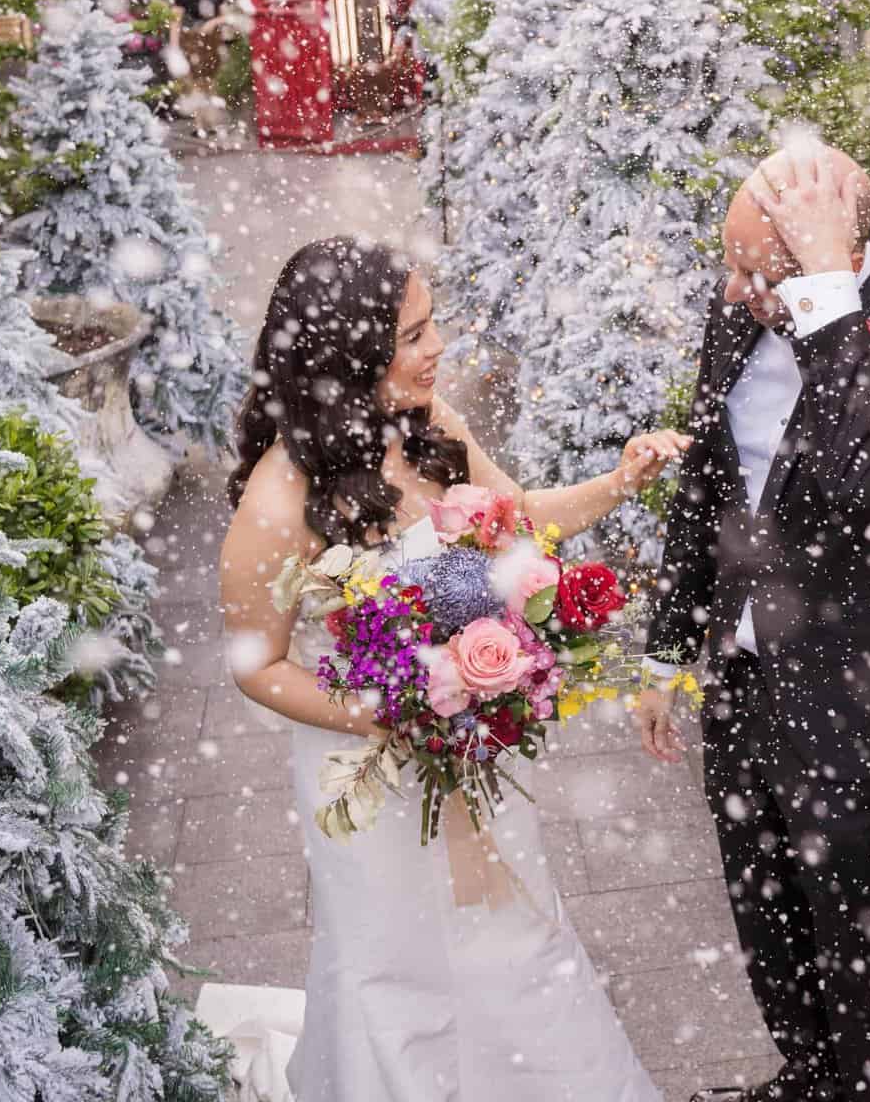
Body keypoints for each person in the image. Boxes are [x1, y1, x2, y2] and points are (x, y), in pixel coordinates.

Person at [220, 238, 688, 1102]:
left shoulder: (430, 427)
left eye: (431, 324)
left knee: (514, 934)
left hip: (470, 752)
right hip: (364, 774)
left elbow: (520, 520)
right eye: (412, 335)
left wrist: (619, 482)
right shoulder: (279, 500)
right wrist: (388, 713)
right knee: (394, 965)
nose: (437, 347)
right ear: (349, 353)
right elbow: (259, 666)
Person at [635, 143, 870, 1102]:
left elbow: (865, 474)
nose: (734, 291)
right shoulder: (740, 310)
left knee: (867, 967)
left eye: (758, 272)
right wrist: (667, 652)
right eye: (731, 267)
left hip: (853, 700)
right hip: (744, 679)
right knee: (774, 936)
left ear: (837, 250)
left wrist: (829, 295)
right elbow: (710, 485)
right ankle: (809, 1081)